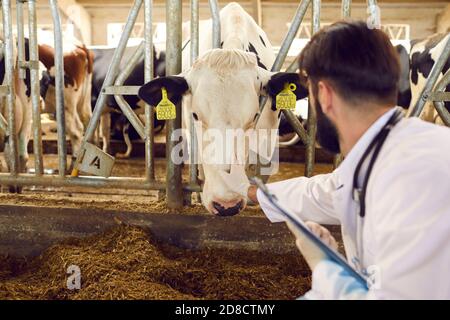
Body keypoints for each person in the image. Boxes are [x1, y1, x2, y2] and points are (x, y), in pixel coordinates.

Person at [225, 21, 450, 299]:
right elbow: (327, 192)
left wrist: (326, 271)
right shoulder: (389, 152)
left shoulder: (414, 175)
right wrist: (251, 191)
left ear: (325, 95)